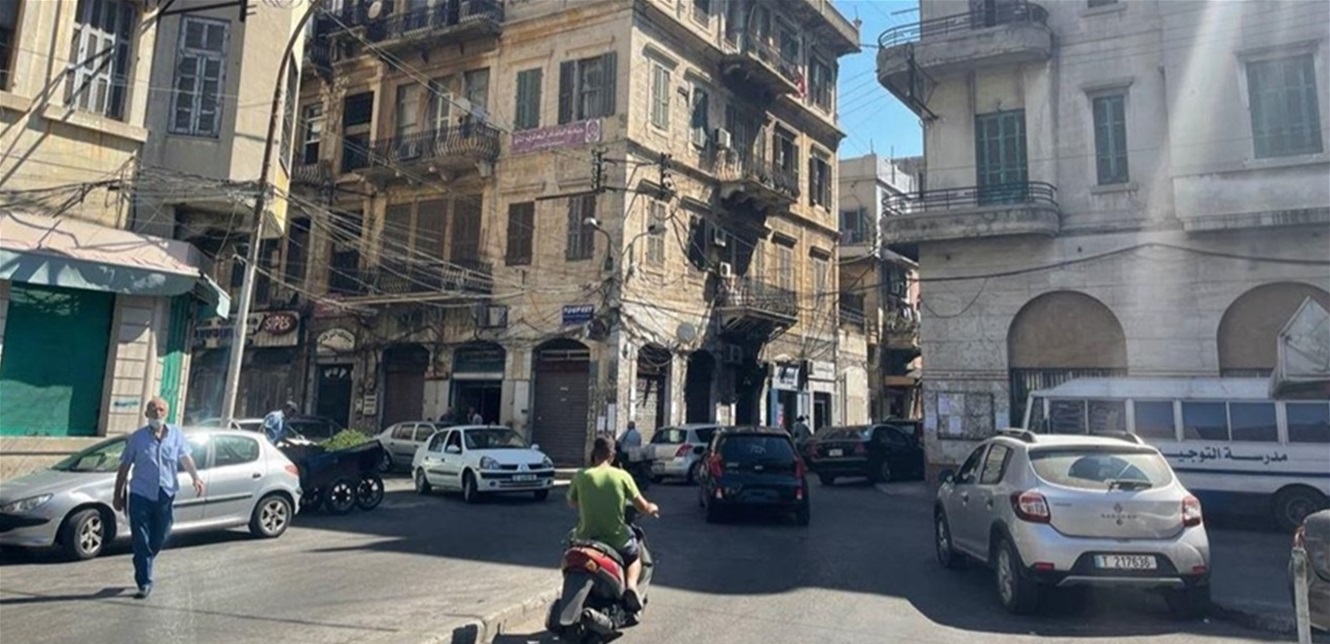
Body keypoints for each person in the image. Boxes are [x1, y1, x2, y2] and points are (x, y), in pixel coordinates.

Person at [113, 397, 205, 599]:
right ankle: (144, 581)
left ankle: (142, 559)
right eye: (153, 410)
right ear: (146, 414)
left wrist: (196, 478)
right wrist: (117, 494)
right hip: (140, 494)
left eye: (161, 409)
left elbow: (185, 458)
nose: (157, 413)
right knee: (141, 538)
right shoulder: (137, 438)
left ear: (167, 413)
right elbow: (124, 466)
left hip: (165, 493)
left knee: (162, 534)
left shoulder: (176, 435)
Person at [567, 437, 659, 613]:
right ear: (612, 455)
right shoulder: (622, 476)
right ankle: (631, 587)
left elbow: (571, 502)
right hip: (615, 539)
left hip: (584, 538)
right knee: (634, 555)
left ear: (593, 454)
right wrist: (652, 508)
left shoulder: (581, 475)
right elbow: (642, 506)